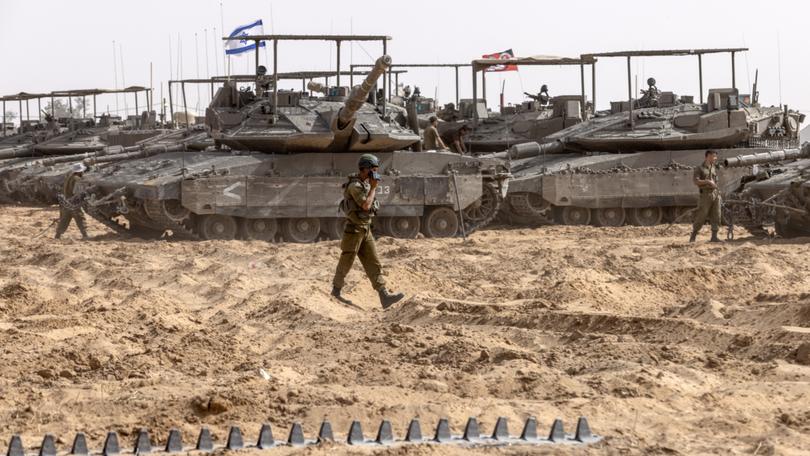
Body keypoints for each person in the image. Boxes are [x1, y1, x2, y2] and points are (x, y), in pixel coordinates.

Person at [332, 154, 405, 309]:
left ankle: (384, 296)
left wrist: (371, 187)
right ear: (364, 169)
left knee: (374, 263)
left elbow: (371, 205)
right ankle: (336, 291)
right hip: (354, 231)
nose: (375, 173)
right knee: (346, 262)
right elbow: (366, 205)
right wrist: (373, 187)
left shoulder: (364, 184)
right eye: (373, 170)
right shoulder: (355, 186)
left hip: (365, 229)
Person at [690, 150, 722, 243]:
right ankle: (693, 235)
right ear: (708, 156)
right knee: (701, 215)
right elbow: (696, 181)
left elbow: (715, 180)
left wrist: (717, 190)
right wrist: (708, 182)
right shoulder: (699, 168)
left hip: (715, 193)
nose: (715, 159)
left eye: (716, 157)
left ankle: (714, 237)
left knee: (717, 214)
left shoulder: (713, 167)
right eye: (714, 156)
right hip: (705, 195)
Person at [55, 163, 89, 240]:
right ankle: (85, 234)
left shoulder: (69, 177)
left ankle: (58, 235)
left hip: (66, 202)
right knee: (80, 217)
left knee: (64, 219)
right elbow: (77, 192)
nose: (83, 172)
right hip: (73, 202)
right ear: (80, 171)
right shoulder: (77, 179)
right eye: (82, 171)